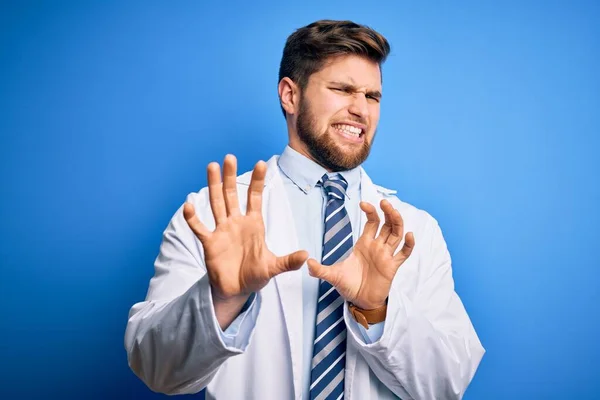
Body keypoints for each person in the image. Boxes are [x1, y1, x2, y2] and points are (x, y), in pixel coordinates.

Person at [124, 19, 485, 400]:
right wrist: (223, 299)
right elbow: (155, 368)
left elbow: (448, 384)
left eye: (372, 96)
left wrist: (376, 310)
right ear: (290, 96)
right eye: (342, 89)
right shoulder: (212, 216)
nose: (361, 109)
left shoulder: (415, 231)